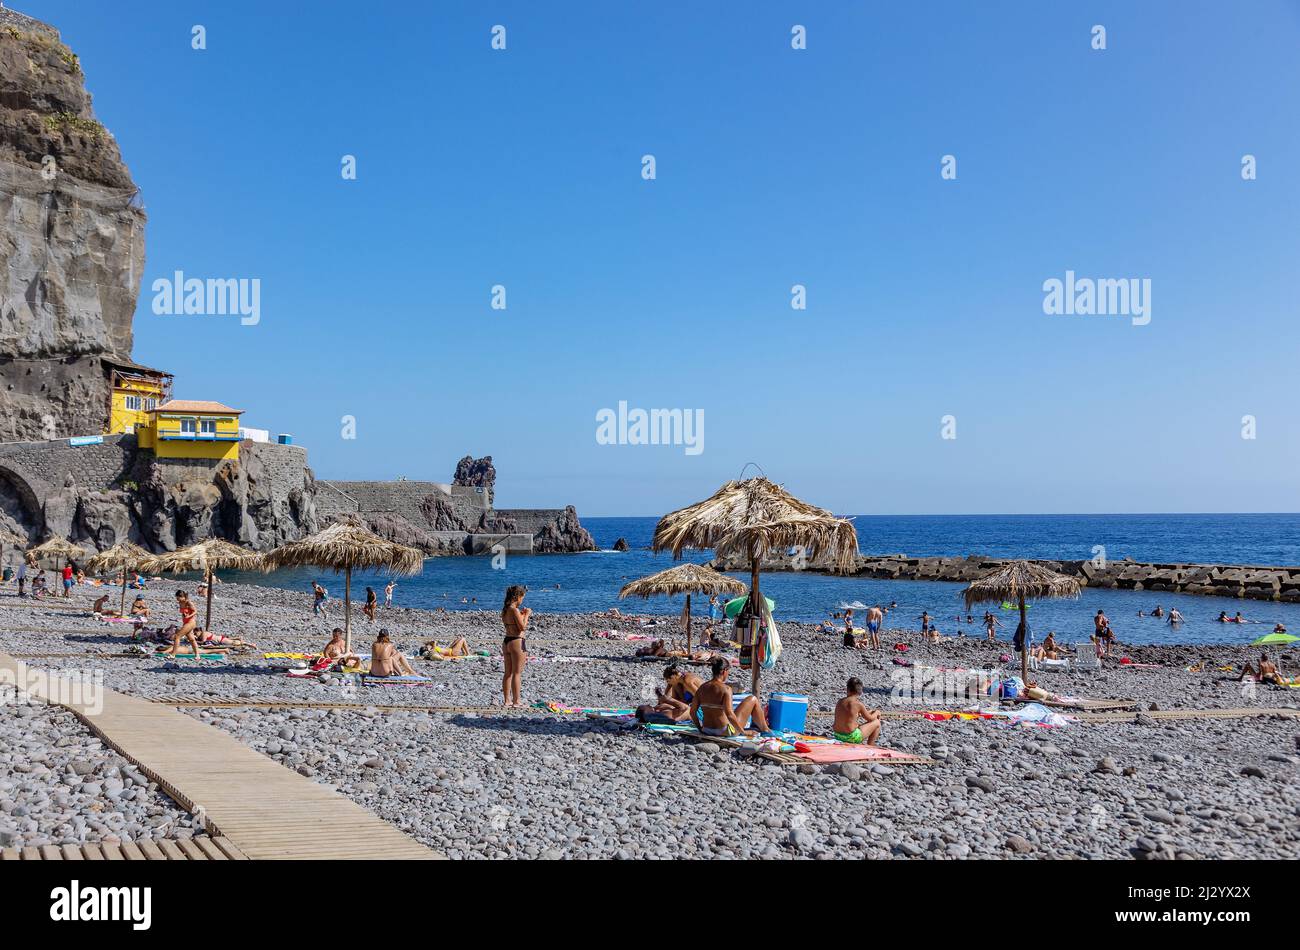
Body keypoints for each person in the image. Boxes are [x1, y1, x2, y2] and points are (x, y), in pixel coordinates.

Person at [688, 657, 773, 737]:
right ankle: (765, 730)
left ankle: (762, 728)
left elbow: (692, 711)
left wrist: (700, 728)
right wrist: (744, 732)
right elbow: (730, 715)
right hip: (724, 731)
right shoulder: (726, 689)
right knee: (752, 699)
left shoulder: (702, 688)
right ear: (724, 671)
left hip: (706, 729)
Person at [501, 585, 530, 708]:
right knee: (517, 673)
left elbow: (512, 624)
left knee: (508, 673)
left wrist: (522, 615)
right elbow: (522, 627)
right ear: (518, 597)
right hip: (517, 641)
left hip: (507, 640)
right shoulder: (514, 610)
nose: (522, 600)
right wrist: (527, 614)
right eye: (522, 598)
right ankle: (517, 701)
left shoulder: (505, 609)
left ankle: (507, 700)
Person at [832, 677, 882, 745]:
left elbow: (849, 715)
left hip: (837, 736)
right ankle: (871, 746)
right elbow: (870, 719)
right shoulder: (858, 704)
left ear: (848, 689)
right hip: (851, 737)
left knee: (856, 726)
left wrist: (866, 712)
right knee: (877, 723)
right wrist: (877, 712)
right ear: (860, 691)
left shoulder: (840, 701)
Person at [163, 590, 203, 659]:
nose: (177, 600)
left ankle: (173, 654)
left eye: (178, 598)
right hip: (185, 622)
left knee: (177, 636)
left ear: (183, 596)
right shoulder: (180, 603)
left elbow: (195, 611)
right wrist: (184, 617)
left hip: (191, 622)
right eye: (177, 598)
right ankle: (197, 655)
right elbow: (183, 612)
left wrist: (188, 616)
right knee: (191, 639)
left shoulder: (188, 602)